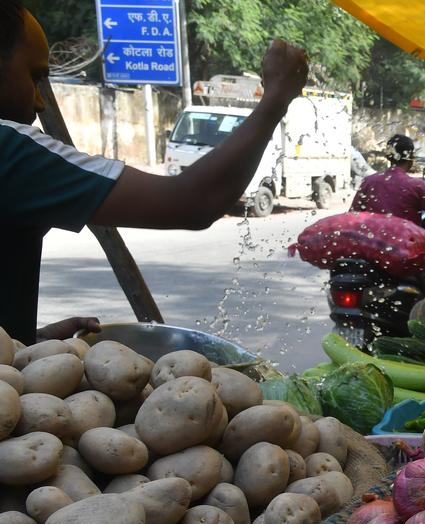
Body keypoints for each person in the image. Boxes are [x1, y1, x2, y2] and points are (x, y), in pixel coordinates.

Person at [0, 0, 308, 344]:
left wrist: (27, 339)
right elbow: (193, 201)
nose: (40, 101)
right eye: (34, 76)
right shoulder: (8, 149)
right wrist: (277, 97)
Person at [350, 134, 425, 303]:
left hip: (372, 251)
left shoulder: (369, 182)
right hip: (406, 253)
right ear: (411, 157)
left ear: (389, 156)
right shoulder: (416, 185)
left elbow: (353, 215)